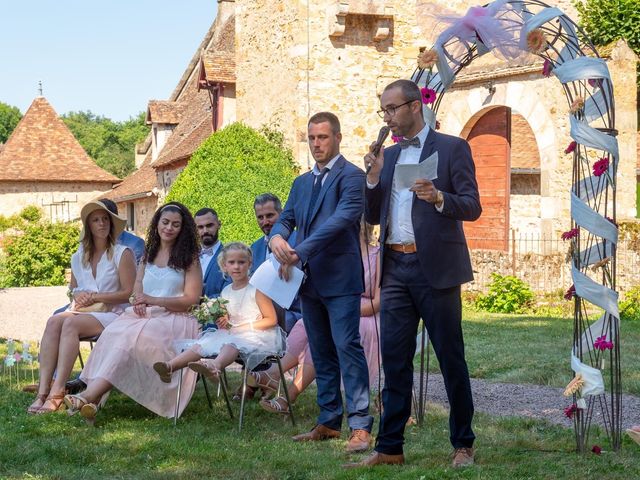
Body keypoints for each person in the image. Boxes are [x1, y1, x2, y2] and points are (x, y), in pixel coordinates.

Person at [350, 79, 481, 468]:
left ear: (414, 106)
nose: (387, 118)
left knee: (450, 358)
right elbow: (373, 216)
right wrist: (372, 178)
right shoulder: (387, 157)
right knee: (395, 360)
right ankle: (390, 447)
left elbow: (472, 206)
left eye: (391, 109)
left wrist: (440, 197)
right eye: (383, 111)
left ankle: (463, 444)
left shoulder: (453, 148)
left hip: (436, 269)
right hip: (395, 268)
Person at [269, 111, 372, 453]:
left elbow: (342, 220)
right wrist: (277, 239)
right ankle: (328, 422)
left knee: (347, 348)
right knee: (321, 351)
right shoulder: (300, 183)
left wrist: (299, 250)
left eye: (323, 137)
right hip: (307, 282)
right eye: (312, 138)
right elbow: (286, 218)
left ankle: (360, 426)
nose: (316, 144)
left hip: (340, 279)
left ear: (338, 137)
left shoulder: (352, 176)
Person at [63, 202, 202, 423]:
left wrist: (152, 300)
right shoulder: (149, 254)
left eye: (176, 224)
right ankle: (91, 402)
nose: (169, 228)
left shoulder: (190, 259)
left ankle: (88, 395)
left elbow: (190, 300)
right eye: (165, 222)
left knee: (131, 340)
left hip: (176, 319)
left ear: (183, 229)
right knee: (113, 335)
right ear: (157, 224)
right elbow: (137, 286)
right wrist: (138, 300)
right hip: (144, 315)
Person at [253, 218, 381, 415]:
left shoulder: (377, 255)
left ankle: (288, 395)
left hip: (366, 316)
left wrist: (341, 309)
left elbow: (379, 302)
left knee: (327, 331)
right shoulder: (336, 255)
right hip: (336, 310)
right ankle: (273, 373)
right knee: (306, 323)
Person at [26, 200, 136, 414]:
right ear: (89, 226)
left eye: (105, 219)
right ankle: (42, 391)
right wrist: (81, 295)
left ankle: (57, 392)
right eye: (96, 220)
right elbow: (73, 289)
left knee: (70, 324)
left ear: (112, 224)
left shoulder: (123, 253)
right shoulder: (78, 256)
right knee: (54, 320)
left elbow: (129, 293)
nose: (102, 224)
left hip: (115, 314)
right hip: (84, 311)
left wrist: (96, 295)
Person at [152, 242, 283, 383]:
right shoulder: (226, 291)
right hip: (233, 332)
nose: (236, 266)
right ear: (224, 266)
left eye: (241, 262)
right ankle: (170, 367)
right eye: (231, 262)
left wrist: (242, 328)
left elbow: (271, 319)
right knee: (202, 344)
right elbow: (228, 317)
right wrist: (223, 319)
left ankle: (215, 367)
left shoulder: (257, 288)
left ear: (250, 264)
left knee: (232, 344)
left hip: (258, 334)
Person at [250, 193, 302, 333]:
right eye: (260, 217)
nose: (265, 221)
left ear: (282, 213)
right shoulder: (254, 248)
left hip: (295, 318)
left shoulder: (300, 241)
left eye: (270, 215)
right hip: (262, 321)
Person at [194, 208, 227, 299]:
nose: (205, 231)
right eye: (200, 227)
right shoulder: (187, 256)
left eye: (209, 225)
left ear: (219, 224)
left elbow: (230, 293)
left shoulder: (229, 257)